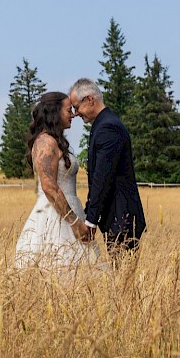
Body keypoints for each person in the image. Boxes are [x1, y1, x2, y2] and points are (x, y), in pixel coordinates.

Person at [13, 92, 100, 269]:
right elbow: (49, 187)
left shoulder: (54, 141)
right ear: (55, 112)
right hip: (55, 216)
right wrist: (75, 223)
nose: (73, 114)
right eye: (68, 110)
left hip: (68, 209)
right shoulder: (46, 142)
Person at [68, 78, 146, 256]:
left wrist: (91, 220)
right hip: (119, 218)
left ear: (89, 100)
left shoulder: (107, 128)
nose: (75, 113)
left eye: (76, 107)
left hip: (122, 219)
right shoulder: (104, 124)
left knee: (123, 279)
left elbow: (102, 178)